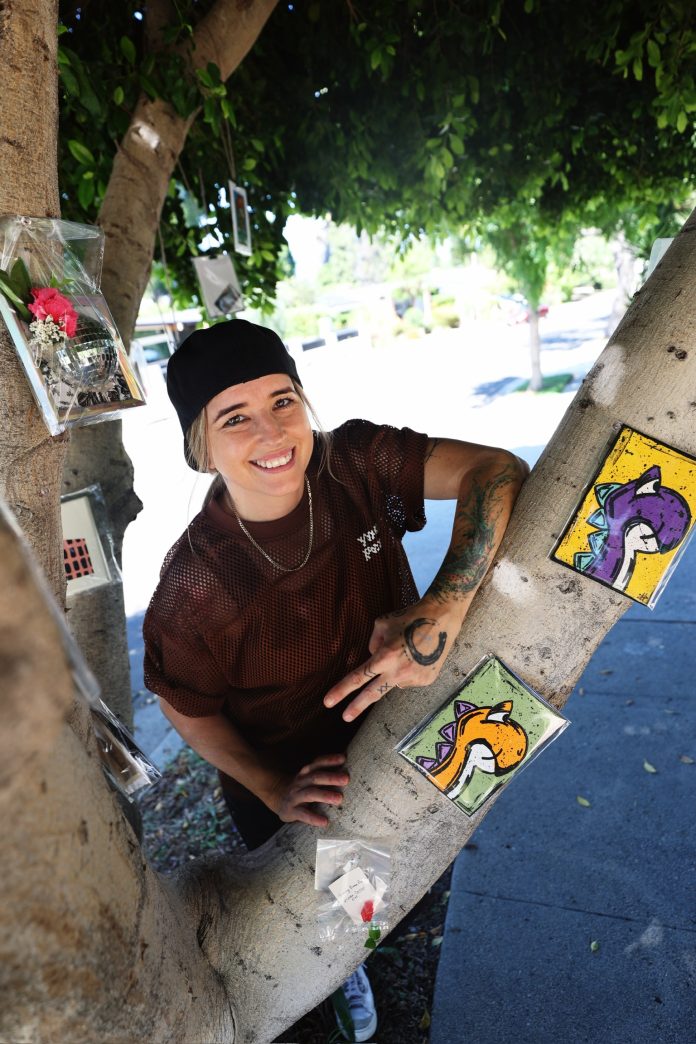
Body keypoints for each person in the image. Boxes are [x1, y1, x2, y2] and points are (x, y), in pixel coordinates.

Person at [143, 319, 528, 1041]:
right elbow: (184, 706)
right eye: (236, 416)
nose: (273, 431)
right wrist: (268, 786)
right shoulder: (194, 585)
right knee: (349, 908)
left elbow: (498, 470)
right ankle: (345, 968)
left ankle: (368, 933)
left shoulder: (353, 462)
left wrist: (444, 606)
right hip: (307, 784)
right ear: (201, 447)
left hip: (403, 740)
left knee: (408, 871)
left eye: (283, 399)